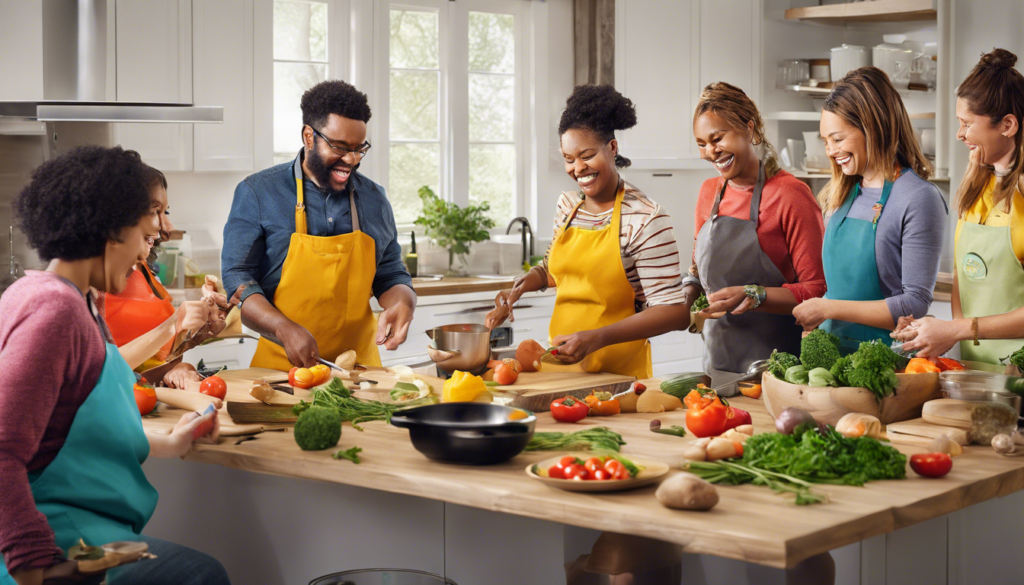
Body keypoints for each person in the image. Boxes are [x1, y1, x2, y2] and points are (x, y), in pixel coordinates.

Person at [0, 146, 229, 585]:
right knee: (202, 576)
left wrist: (168, 444)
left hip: (77, 525)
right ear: (110, 231)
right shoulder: (54, 310)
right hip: (53, 537)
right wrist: (35, 566)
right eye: (145, 237)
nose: (146, 253)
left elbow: (67, 430)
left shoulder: (78, 300)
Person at [485, 84, 688, 379]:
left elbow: (674, 312)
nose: (577, 168)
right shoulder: (568, 206)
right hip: (558, 368)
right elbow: (554, 270)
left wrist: (597, 337)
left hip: (618, 376)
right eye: (568, 159)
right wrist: (520, 287)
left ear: (612, 148)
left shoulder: (645, 218)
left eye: (587, 155)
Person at [222, 80, 415, 370]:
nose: (351, 160)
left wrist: (403, 302)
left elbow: (390, 274)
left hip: (359, 372)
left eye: (359, 149)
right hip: (280, 373)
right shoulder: (258, 193)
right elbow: (239, 279)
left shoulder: (375, 199)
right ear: (309, 136)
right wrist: (283, 327)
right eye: (340, 147)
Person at [793, 67, 947, 352]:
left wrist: (828, 308)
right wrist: (818, 319)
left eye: (838, 139)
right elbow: (837, 288)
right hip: (832, 355)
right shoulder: (840, 195)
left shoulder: (918, 198)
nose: (830, 151)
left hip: (886, 363)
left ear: (873, 128)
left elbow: (914, 303)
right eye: (825, 141)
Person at [687, 82, 826, 386]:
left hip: (779, 372)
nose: (710, 152)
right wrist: (686, 295)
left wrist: (754, 294)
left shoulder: (791, 195)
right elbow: (698, 269)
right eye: (701, 143)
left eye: (717, 138)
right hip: (716, 367)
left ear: (749, 130)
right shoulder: (709, 193)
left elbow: (817, 289)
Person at [893, 49, 1024, 363]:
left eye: (967, 124)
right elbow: (965, 280)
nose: (959, 134)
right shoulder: (978, 185)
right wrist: (941, 331)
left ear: (1007, 125)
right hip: (976, 368)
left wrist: (957, 330)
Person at [97, 165, 230, 388]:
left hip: (155, 406)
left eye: (165, 212)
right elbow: (100, 373)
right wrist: (174, 323)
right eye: (155, 211)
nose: (168, 227)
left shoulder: (146, 271)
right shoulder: (89, 286)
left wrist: (197, 330)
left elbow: (160, 357)